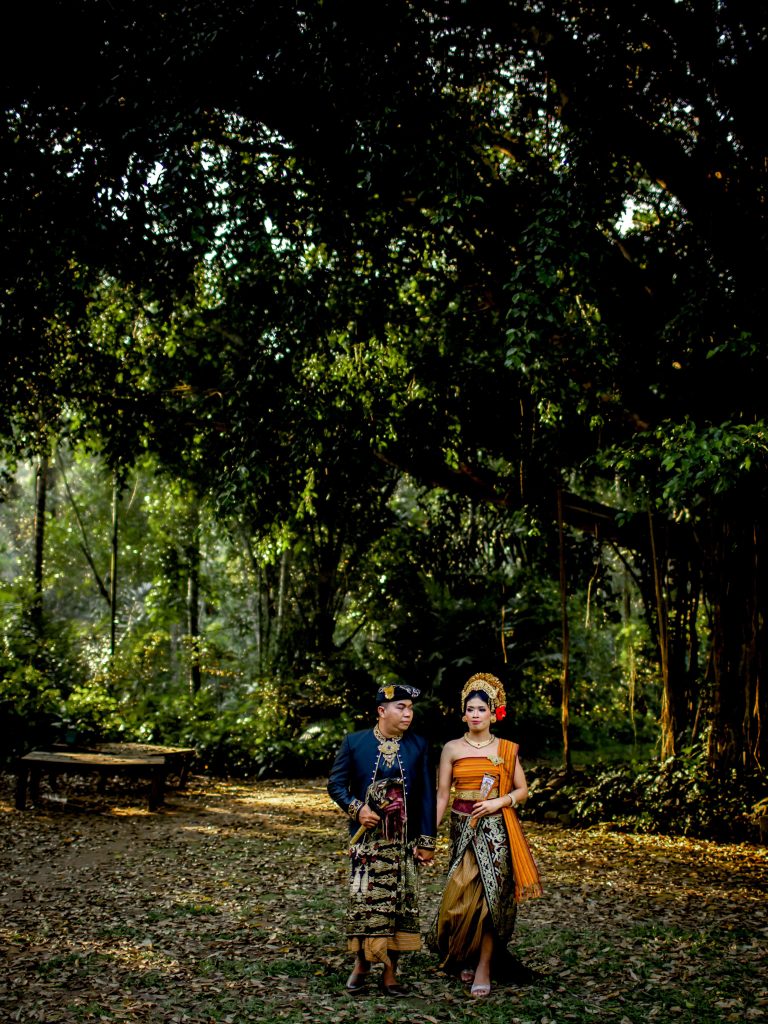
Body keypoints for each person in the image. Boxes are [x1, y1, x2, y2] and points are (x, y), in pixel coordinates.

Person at [427, 672, 542, 998]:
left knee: (491, 901)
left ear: (493, 713)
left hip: (496, 833)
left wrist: (498, 802)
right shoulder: (451, 749)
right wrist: (428, 836)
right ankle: (465, 953)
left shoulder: (506, 749)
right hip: (462, 831)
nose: (476, 714)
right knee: (460, 901)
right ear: (463, 714)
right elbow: (442, 796)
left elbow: (522, 791)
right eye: (470, 709)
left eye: (482, 709)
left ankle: (484, 966)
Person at [327, 682, 437, 997]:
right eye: (401, 708)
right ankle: (362, 964)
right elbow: (335, 784)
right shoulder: (355, 742)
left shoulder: (419, 745)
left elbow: (427, 795)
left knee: (400, 905)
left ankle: (391, 971)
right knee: (365, 903)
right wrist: (357, 808)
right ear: (381, 711)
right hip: (367, 843)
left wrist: (426, 840)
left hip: (404, 842)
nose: (408, 714)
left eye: (410, 708)